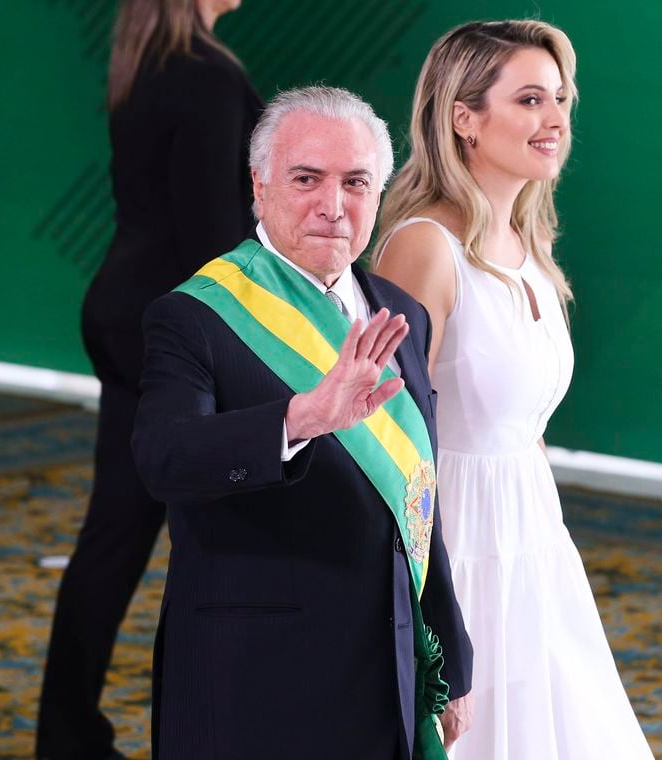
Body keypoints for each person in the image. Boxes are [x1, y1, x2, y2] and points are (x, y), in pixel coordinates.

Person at [130, 86, 473, 758]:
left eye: (355, 182)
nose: (333, 205)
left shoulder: (402, 313)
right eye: (306, 179)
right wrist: (302, 417)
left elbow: (416, 492)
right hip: (257, 675)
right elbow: (162, 459)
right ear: (259, 186)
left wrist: (448, 657)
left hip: (388, 669)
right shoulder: (196, 315)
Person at [373, 20, 655, 759]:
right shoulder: (422, 247)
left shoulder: (528, 242)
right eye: (529, 99)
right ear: (464, 117)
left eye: (560, 99)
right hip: (455, 540)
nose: (555, 118)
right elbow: (380, 425)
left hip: (533, 538)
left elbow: (521, 425)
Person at [37, 1, 262, 757]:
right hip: (172, 335)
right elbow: (211, 238)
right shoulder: (205, 76)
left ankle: (67, 736)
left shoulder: (150, 61)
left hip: (126, 314)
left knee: (116, 535)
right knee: (219, 541)